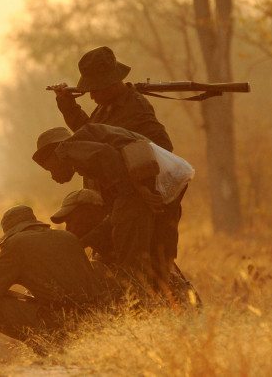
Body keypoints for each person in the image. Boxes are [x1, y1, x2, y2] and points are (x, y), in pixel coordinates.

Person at [49, 46, 183, 279]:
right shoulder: (107, 106)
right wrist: (67, 104)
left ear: (110, 84)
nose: (90, 96)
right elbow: (89, 133)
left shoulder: (136, 110)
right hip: (114, 202)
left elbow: (163, 152)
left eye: (94, 90)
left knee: (141, 273)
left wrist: (137, 182)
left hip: (138, 206)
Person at [32, 123, 162, 283]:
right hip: (134, 203)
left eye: (50, 168)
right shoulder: (88, 172)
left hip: (138, 202)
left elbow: (110, 159)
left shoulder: (77, 153)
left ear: (55, 155)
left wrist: (140, 188)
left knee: (133, 268)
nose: (52, 176)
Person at [0, 205, 107, 355]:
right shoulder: (68, 237)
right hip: (95, 317)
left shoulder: (16, 244)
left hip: (60, 321)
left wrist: (20, 296)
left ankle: (45, 345)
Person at [50, 189, 202, 308]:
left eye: (71, 221)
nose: (68, 228)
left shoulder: (124, 239)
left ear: (91, 212)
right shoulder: (101, 251)